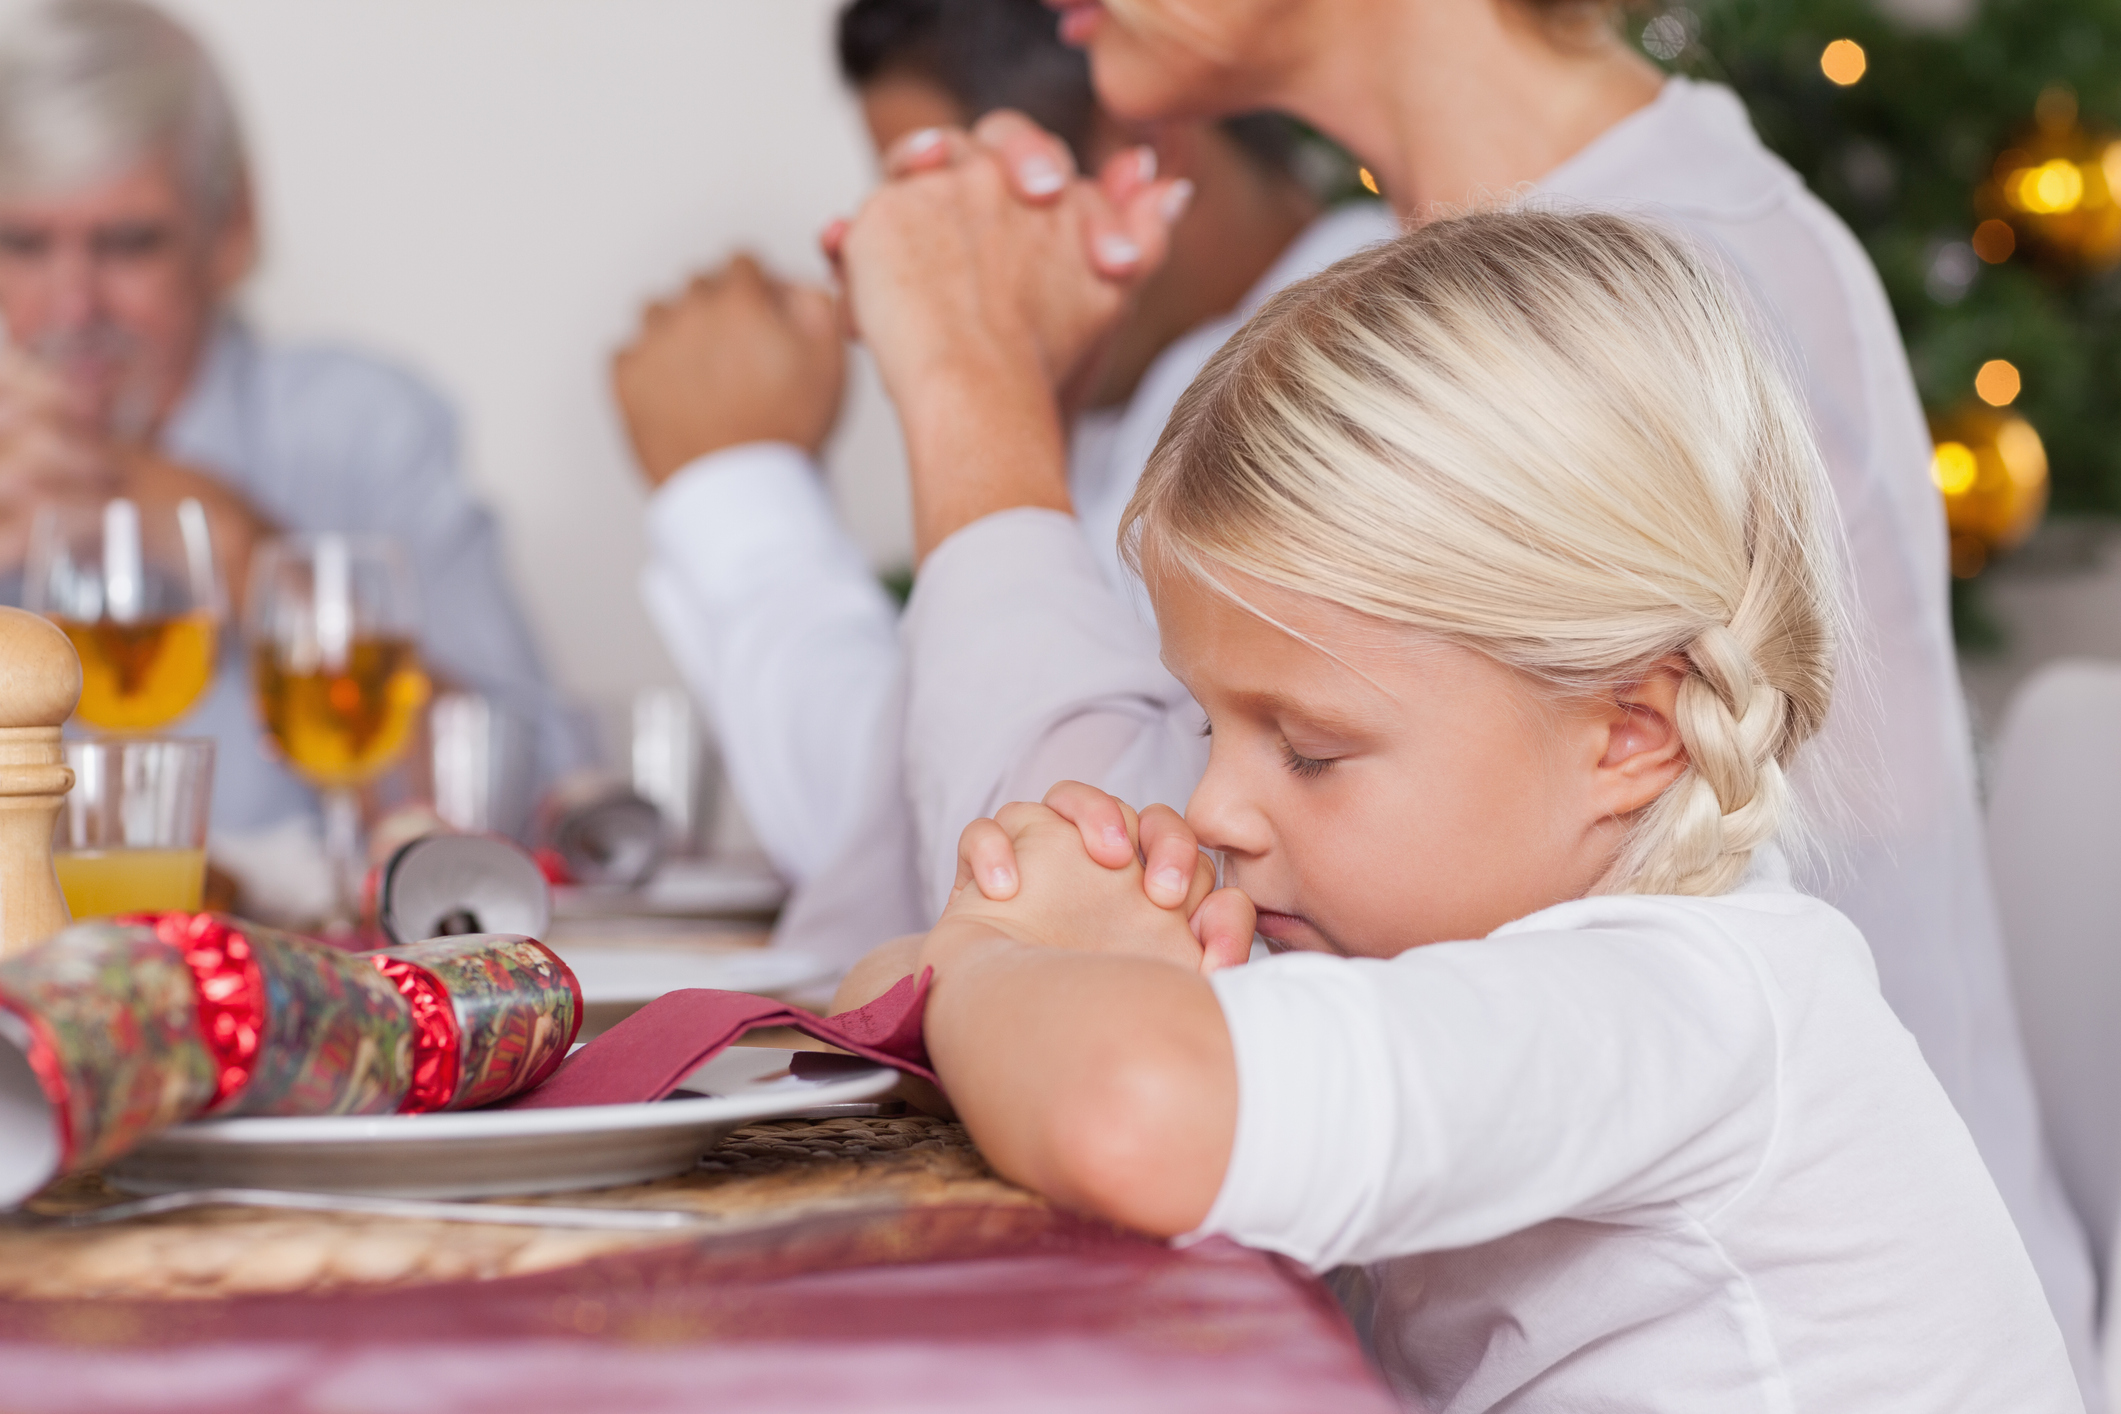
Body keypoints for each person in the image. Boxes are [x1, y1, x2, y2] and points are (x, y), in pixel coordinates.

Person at [827, 0, 2103, 1395]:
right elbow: (927, 993)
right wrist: (990, 966)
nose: (1207, 808)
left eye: (1307, 749)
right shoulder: (1444, 933)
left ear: (1632, 729)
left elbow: (1134, 1108)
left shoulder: (1686, 1001)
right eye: (1206, 724)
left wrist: (993, 971)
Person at [612, 0, 1393, 958]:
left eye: (954, 209)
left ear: (1143, 146)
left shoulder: (1368, 371)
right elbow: (916, 824)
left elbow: (1030, 886)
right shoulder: (1138, 393)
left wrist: (947, 380)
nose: (895, 256)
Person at [0, 0, 584, 886]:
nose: (72, 307)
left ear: (230, 228)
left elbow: (546, 808)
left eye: (127, 244)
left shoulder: (359, 428)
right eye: (23, 244)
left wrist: (250, 559)